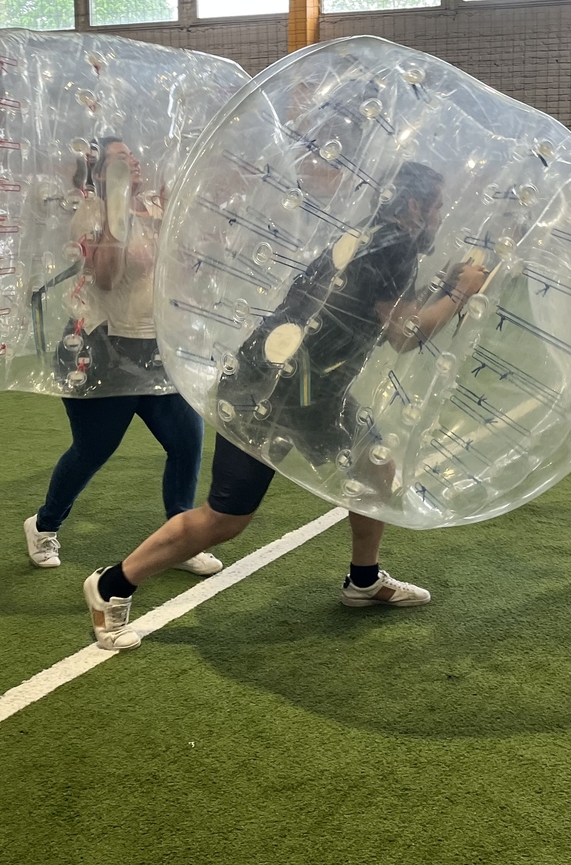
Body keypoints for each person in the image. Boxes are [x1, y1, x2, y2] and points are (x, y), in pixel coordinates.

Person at [83, 160, 489, 650]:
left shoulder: (378, 236)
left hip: (310, 390)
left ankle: (364, 580)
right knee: (226, 519)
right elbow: (405, 334)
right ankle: (111, 586)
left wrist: (444, 286)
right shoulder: (395, 244)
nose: (442, 216)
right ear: (414, 206)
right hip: (272, 390)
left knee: (374, 469)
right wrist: (460, 291)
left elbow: (384, 307)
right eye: (438, 206)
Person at [23, 138, 219, 579]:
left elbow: (188, 269)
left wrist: (182, 224)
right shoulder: (90, 214)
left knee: (186, 443)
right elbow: (108, 279)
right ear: (97, 172)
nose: (130, 161)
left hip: (157, 346)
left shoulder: (158, 206)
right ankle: (44, 524)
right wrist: (116, 213)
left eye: (132, 155)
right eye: (117, 158)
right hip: (102, 346)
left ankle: (180, 537)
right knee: (94, 449)